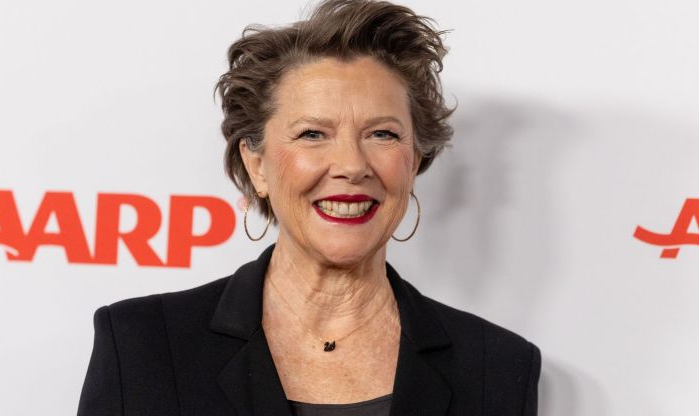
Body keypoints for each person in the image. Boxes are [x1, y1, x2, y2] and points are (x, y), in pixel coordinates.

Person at [77, 0, 541, 414]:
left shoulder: (496, 367)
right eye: (313, 134)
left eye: (383, 134)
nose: (352, 165)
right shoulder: (142, 345)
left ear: (414, 160)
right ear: (256, 165)